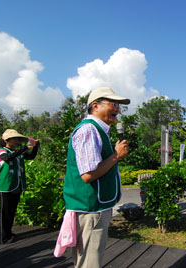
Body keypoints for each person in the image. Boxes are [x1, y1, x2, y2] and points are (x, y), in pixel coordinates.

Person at [63, 87, 129, 267]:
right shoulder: (89, 130)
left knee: (89, 259)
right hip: (90, 210)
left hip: (95, 209)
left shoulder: (98, 131)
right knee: (89, 263)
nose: (117, 109)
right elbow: (88, 174)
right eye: (113, 104)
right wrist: (116, 155)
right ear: (95, 106)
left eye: (118, 105)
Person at [0, 129, 40, 244]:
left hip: (16, 185)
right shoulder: (2, 152)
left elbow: (30, 156)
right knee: (4, 213)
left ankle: (8, 233)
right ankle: (1, 238)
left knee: (11, 211)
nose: (18, 141)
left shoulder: (17, 153)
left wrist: (36, 147)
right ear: (7, 140)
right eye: (15, 139)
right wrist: (25, 148)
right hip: (5, 186)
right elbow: (7, 158)